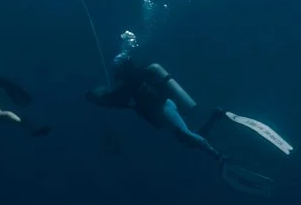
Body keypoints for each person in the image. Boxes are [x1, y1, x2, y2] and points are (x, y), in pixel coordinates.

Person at [86, 33, 228, 162]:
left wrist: (97, 97)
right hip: (164, 110)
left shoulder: (127, 86)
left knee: (187, 135)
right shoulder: (134, 78)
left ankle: (219, 156)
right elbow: (115, 100)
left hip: (164, 110)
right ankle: (215, 118)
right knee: (186, 140)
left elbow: (113, 100)